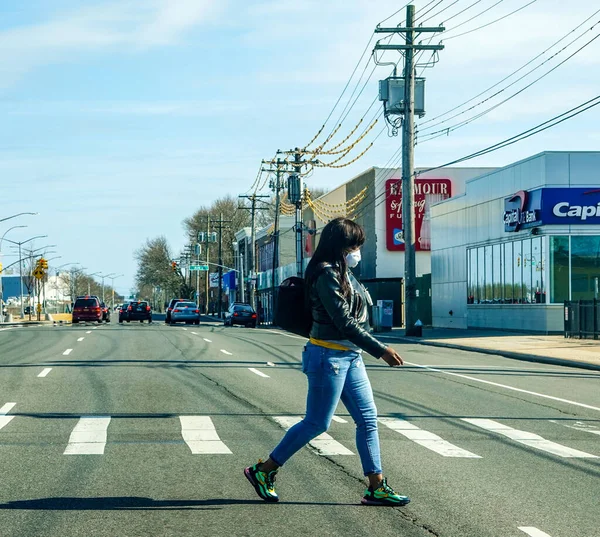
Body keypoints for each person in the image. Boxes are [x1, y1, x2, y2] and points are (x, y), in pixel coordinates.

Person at [244, 217, 409, 506]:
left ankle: (376, 487)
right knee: (317, 423)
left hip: (350, 357)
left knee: (368, 420)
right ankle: (263, 470)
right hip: (327, 356)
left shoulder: (343, 271)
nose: (357, 251)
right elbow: (344, 322)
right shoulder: (325, 274)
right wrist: (381, 350)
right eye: (354, 245)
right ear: (340, 246)